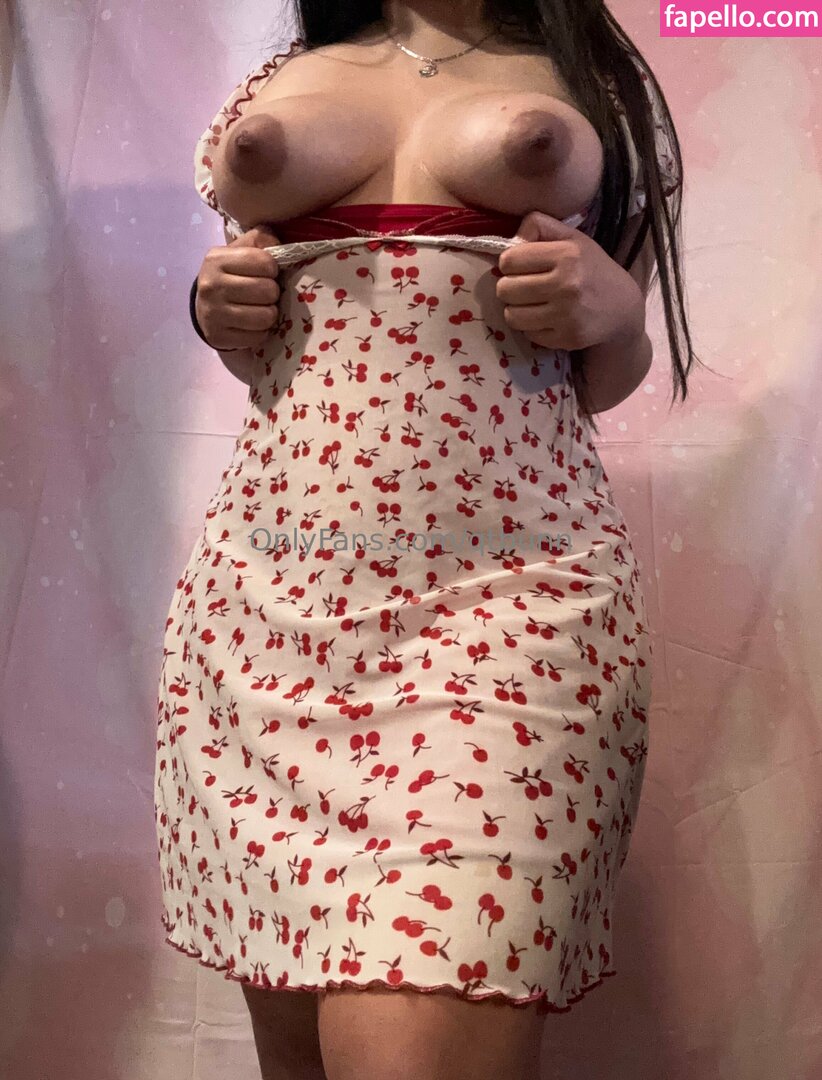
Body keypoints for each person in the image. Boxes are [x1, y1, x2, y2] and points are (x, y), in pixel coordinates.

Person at [156, 2, 698, 1077]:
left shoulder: (596, 82)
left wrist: (617, 314)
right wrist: (218, 311)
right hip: (267, 617)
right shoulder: (283, 73)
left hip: (510, 612)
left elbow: (605, 377)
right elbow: (271, 356)